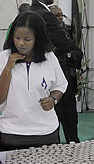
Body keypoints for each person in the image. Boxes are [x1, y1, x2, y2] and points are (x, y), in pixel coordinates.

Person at [0, 11, 68, 151]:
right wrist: (8, 67)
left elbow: (60, 85)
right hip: (12, 133)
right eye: (17, 37)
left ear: (38, 38)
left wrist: (53, 99)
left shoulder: (49, 58)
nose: (20, 43)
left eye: (27, 39)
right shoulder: (3, 58)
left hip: (46, 132)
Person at [49, 5, 83, 143]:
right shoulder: (44, 36)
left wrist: (68, 55)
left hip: (69, 88)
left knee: (71, 125)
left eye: (61, 15)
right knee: (53, 127)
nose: (60, 18)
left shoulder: (67, 33)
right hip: (52, 90)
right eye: (56, 15)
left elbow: (78, 53)